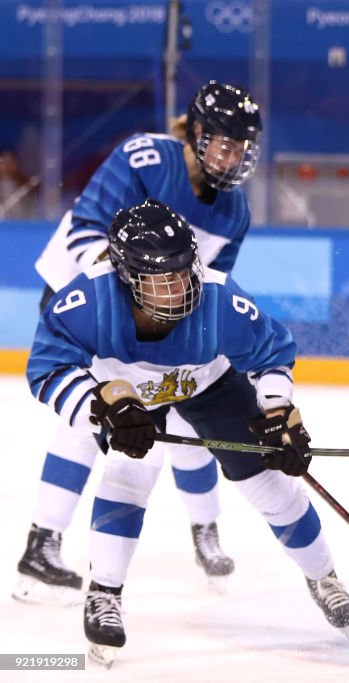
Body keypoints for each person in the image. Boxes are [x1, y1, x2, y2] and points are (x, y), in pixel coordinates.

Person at [27, 199, 349, 666]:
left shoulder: (219, 298)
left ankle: (323, 576)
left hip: (208, 382)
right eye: (164, 279)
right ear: (127, 277)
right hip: (128, 396)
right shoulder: (88, 301)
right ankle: (104, 592)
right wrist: (99, 409)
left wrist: (278, 412)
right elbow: (47, 367)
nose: (181, 287)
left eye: (184, 271)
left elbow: (273, 352)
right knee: (129, 472)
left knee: (268, 481)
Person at [16, 81, 261, 604]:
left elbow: (206, 292)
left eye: (241, 147)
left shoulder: (235, 213)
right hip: (82, 303)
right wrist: (127, 307)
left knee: (185, 413)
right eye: (224, 142)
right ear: (197, 133)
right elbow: (85, 232)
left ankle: (204, 529)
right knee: (94, 417)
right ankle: (43, 542)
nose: (233, 156)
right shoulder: (143, 157)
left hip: (155, 317)